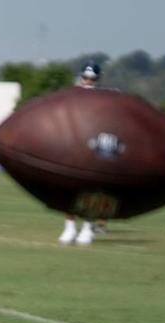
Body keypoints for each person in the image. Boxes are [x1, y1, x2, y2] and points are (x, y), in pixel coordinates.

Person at [59, 61, 102, 245]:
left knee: (90, 190)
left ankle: (87, 226)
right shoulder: (73, 95)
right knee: (68, 188)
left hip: (93, 147)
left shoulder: (101, 99)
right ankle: (69, 227)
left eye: (92, 79)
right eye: (85, 77)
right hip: (73, 146)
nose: (88, 81)